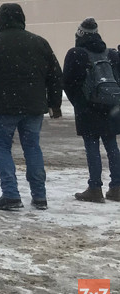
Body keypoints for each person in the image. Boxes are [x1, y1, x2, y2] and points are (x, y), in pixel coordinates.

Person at [0, 3, 63, 211]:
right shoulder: (39, 42)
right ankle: (39, 196)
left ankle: (11, 194)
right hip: (34, 106)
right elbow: (55, 75)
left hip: (3, 105)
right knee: (32, 147)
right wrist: (55, 103)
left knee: (1, 148)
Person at [62, 18, 120, 203]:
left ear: (79, 34)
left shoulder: (76, 53)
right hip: (111, 106)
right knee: (112, 146)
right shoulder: (111, 53)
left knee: (92, 147)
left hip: (88, 107)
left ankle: (95, 188)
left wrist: (80, 104)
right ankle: (117, 187)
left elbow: (69, 83)